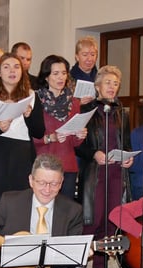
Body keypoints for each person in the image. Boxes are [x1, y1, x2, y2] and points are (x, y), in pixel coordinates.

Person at [77, 65, 132, 268]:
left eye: (115, 83)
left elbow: (126, 142)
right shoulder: (86, 110)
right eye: (108, 82)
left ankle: (101, 265)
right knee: (92, 219)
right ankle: (80, 266)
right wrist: (94, 154)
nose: (112, 87)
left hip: (117, 173)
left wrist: (128, 157)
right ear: (98, 86)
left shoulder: (121, 113)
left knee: (111, 220)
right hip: (95, 172)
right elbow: (77, 144)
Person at [0, 52, 45, 205]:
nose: (12, 71)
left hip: (22, 154)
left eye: (16, 67)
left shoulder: (31, 96)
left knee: (19, 203)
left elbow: (39, 132)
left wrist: (29, 116)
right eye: (6, 67)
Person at [34, 55, 87, 200]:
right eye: (55, 73)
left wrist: (79, 136)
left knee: (65, 209)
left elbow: (74, 143)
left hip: (68, 165)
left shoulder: (74, 102)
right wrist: (50, 138)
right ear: (46, 77)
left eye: (63, 73)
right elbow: (28, 137)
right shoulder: (36, 100)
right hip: (44, 165)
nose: (60, 77)